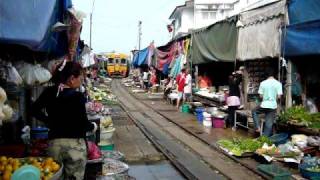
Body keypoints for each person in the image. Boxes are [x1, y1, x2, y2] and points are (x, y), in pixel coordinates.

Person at [31, 61, 97, 180]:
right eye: (80, 78)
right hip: (74, 146)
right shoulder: (77, 97)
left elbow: (34, 110)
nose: (81, 81)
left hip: (54, 145)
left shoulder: (49, 92)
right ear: (72, 78)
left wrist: (48, 121)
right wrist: (93, 126)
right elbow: (83, 123)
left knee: (54, 176)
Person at [252, 68, 282, 136]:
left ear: (266, 75)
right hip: (273, 106)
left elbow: (261, 96)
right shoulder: (278, 83)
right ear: (274, 75)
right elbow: (279, 97)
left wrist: (266, 97)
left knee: (254, 111)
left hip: (264, 105)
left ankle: (257, 127)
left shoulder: (263, 83)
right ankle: (265, 141)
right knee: (268, 126)